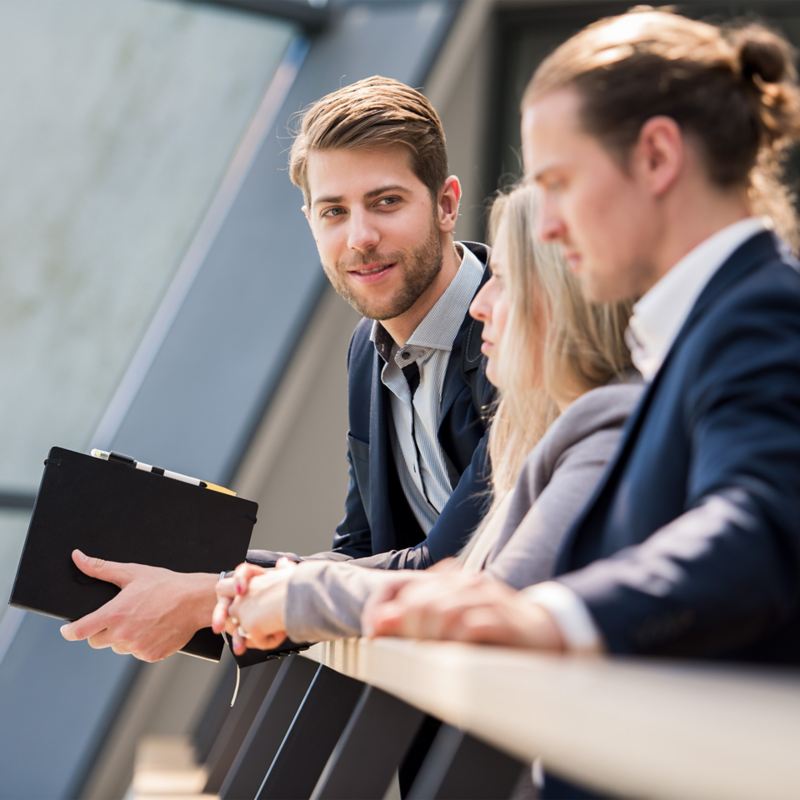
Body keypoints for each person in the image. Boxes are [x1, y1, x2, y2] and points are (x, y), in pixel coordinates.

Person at [364, 8, 800, 668]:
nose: (547, 228)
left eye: (559, 184)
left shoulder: (762, 313)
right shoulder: (707, 331)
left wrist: (554, 612)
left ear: (656, 157)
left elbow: (760, 524)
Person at [59, 76, 496, 662]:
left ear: (446, 204)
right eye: (334, 211)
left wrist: (209, 595)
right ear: (310, 220)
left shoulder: (514, 334)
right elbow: (360, 549)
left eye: (386, 202)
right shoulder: (367, 350)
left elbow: (453, 563)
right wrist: (204, 584)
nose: (360, 237)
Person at [211, 183, 640, 652]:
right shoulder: (536, 425)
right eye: (333, 210)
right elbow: (378, 551)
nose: (481, 305)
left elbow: (487, 600)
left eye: (507, 279)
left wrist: (296, 594)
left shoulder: (607, 424)